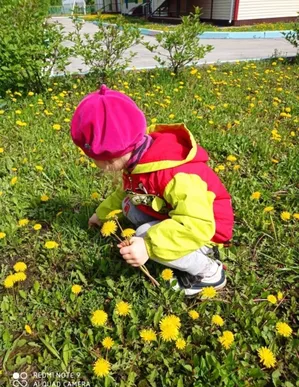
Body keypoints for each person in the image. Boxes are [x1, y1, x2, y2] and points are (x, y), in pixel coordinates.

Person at [71, 85, 234, 296]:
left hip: (207, 229)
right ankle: (163, 240)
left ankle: (208, 271)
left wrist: (147, 245)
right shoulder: (139, 158)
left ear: (109, 157)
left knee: (143, 234)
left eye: (93, 158)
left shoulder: (176, 174)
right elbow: (128, 192)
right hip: (177, 214)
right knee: (128, 205)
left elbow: (197, 224)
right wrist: (102, 215)